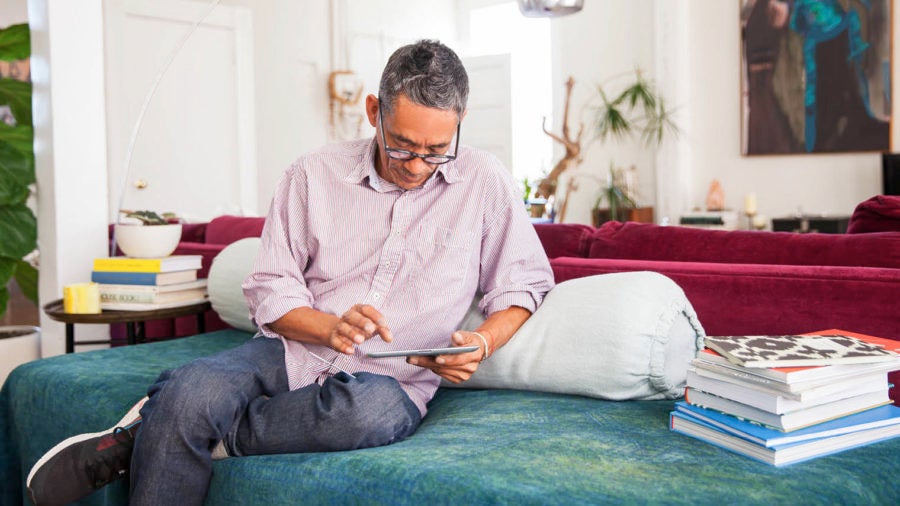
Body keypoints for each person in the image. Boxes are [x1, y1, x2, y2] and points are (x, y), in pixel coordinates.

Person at [26, 39, 554, 505]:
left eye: (437, 151)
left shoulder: (485, 185)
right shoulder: (311, 174)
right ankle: (176, 416)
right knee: (191, 390)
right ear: (374, 111)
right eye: (403, 146)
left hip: (388, 380)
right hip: (291, 348)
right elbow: (271, 285)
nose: (417, 166)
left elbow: (524, 283)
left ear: (459, 125)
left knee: (364, 416)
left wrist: (480, 343)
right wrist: (330, 327)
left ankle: (158, 430)